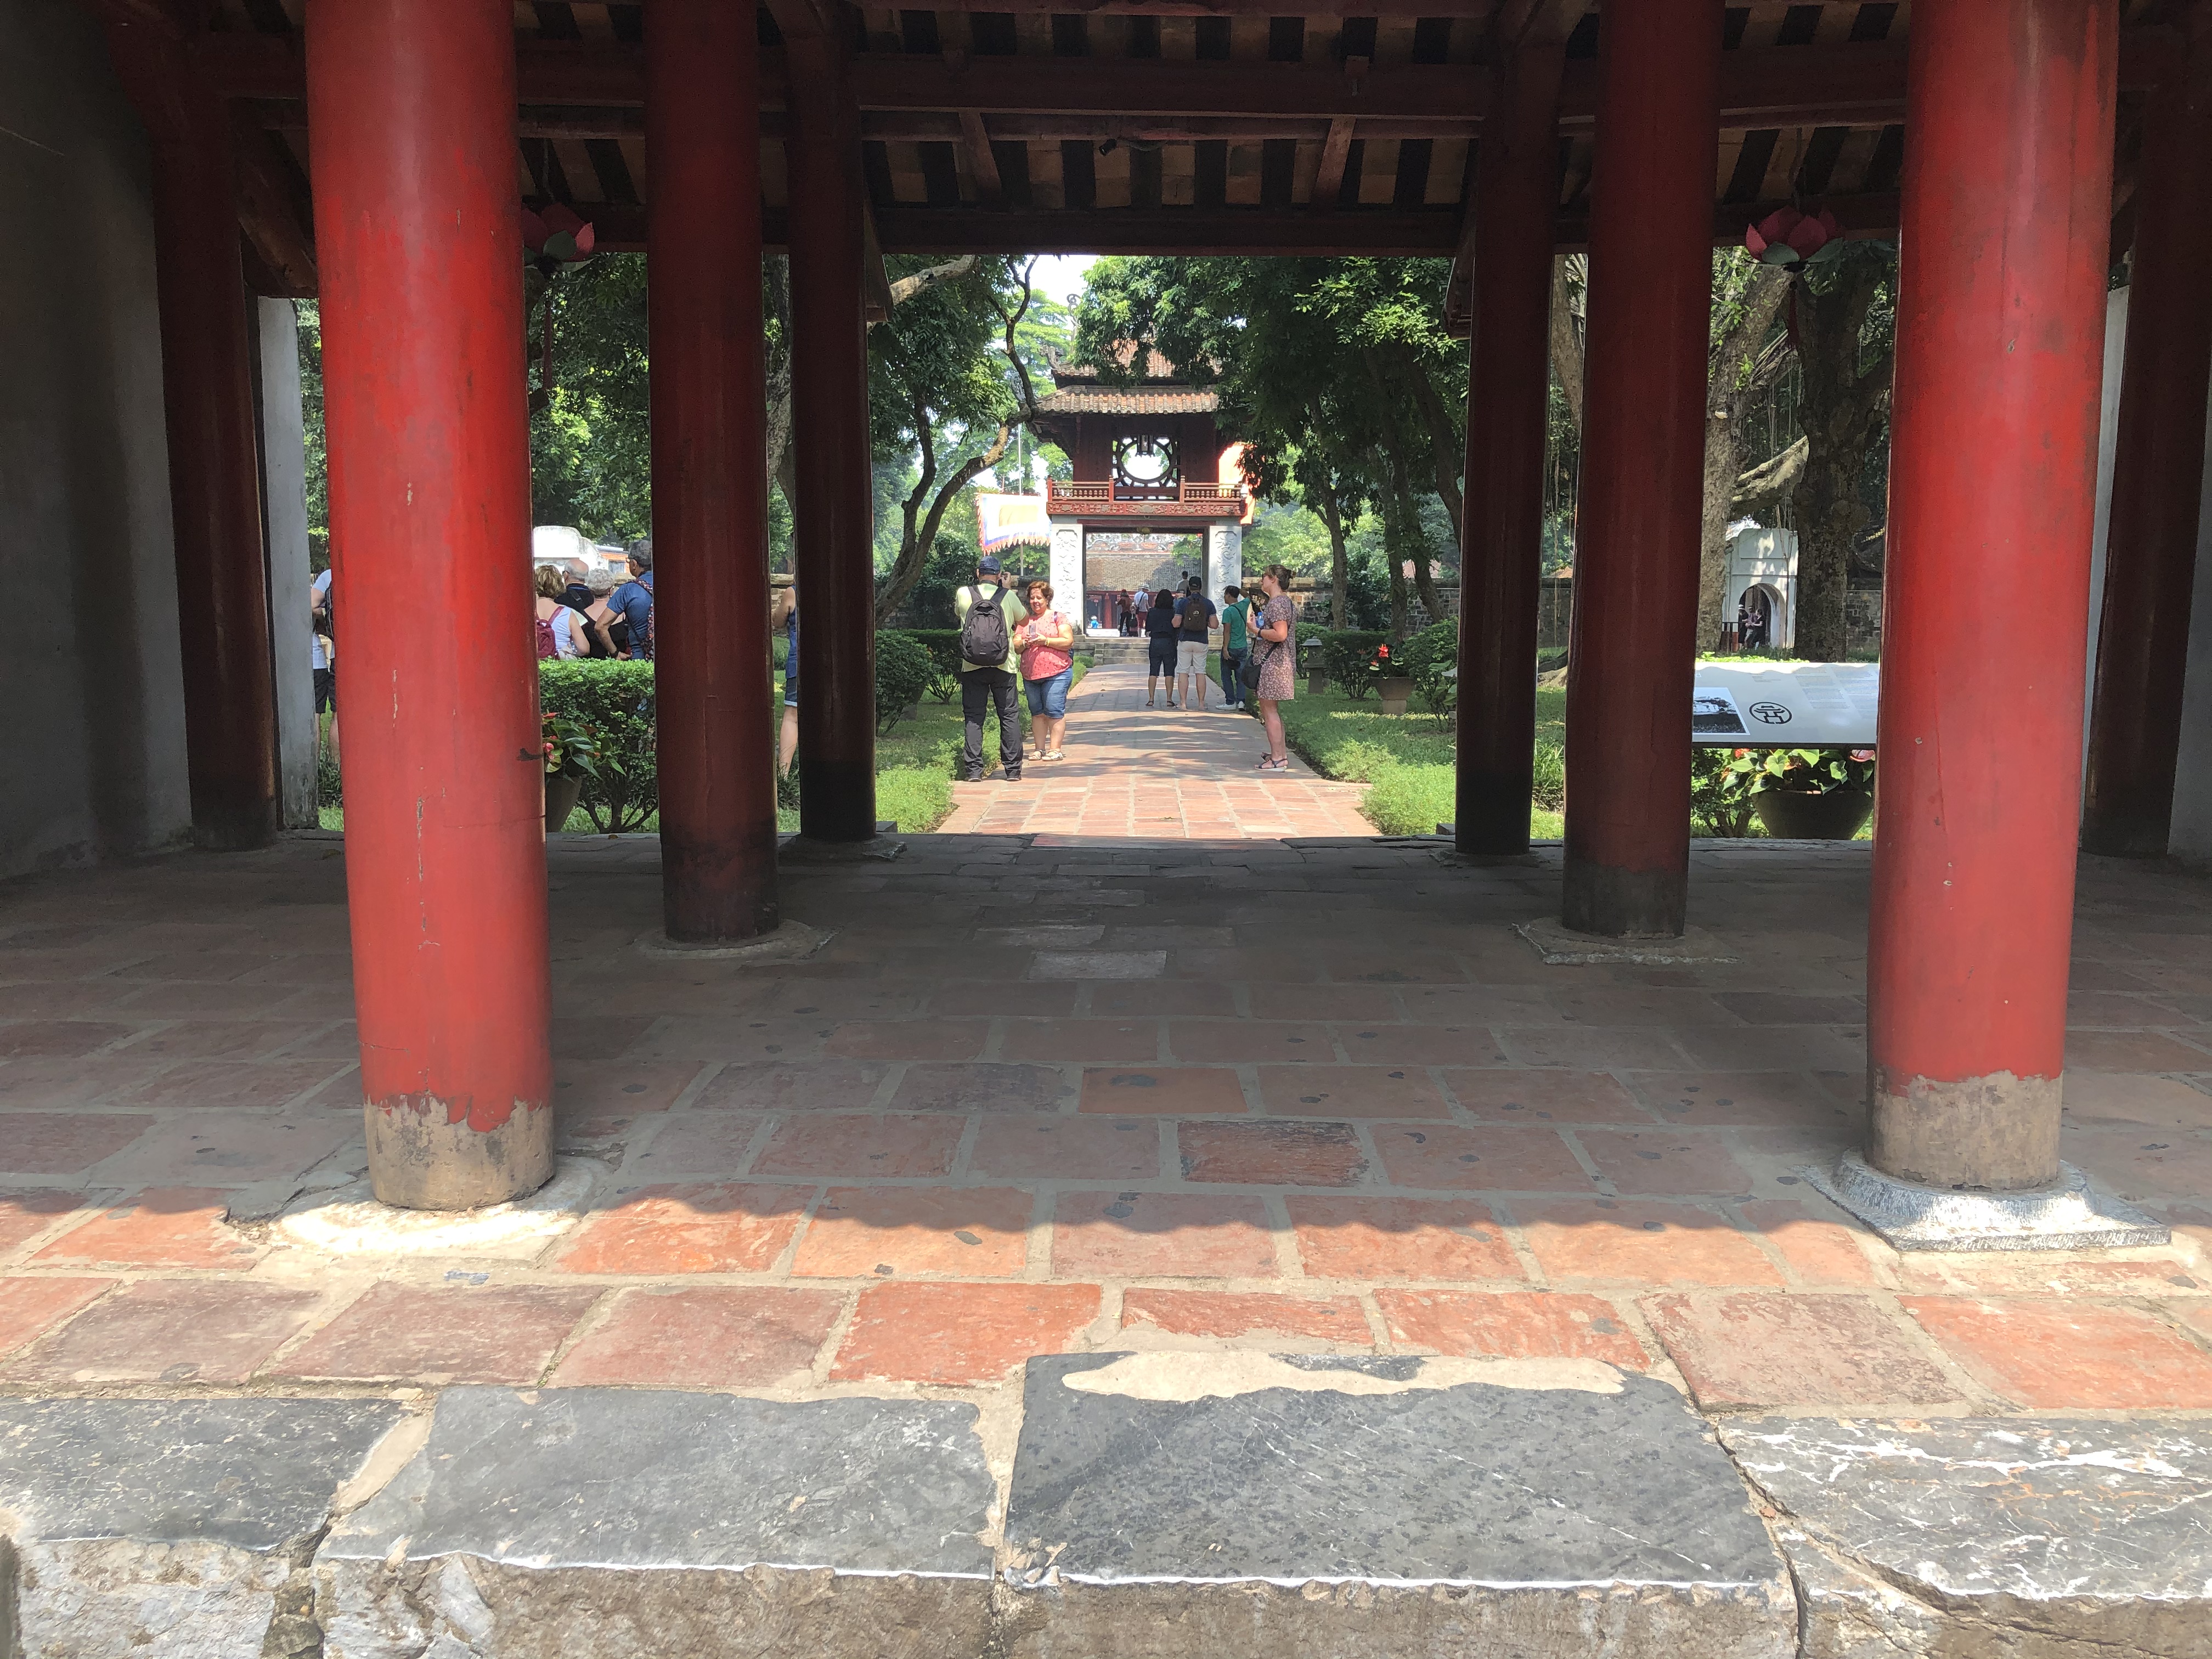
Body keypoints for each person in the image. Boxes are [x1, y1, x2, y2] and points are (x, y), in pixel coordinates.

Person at [954, 555, 1027, 781]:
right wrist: (1006, 589)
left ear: (978, 573)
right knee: (1009, 716)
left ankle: (974, 771)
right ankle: (1013, 770)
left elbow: (959, 614)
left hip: (972, 664)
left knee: (974, 717)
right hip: (1004, 665)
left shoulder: (963, 593)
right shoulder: (1008, 596)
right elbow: (1023, 620)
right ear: (999, 575)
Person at [1015, 579, 1076, 761]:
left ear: (1047, 599)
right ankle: (1039, 749)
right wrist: (1024, 643)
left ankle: (1055, 749)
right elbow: (1016, 645)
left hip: (1057, 673)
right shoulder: (1025, 621)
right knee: (1037, 712)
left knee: (1054, 710)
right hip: (1031, 675)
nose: (1035, 602)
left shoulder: (1058, 617)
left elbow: (1068, 641)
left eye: (1039, 598)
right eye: (1032, 598)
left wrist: (1046, 641)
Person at [1252, 563, 1298, 772]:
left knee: (1269, 711)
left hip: (1274, 665)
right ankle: (1279, 753)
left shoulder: (1277, 603)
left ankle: (1278, 759)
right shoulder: (1284, 602)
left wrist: (1256, 630)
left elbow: (1280, 634)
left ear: (1273, 579)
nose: (1261, 580)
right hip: (1279, 663)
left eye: (1264, 576)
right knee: (1272, 711)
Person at [1173, 575, 1216, 711]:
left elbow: (1176, 623)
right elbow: (1215, 625)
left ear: (1189, 588)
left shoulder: (1183, 603)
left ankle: (1183, 703)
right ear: (1201, 587)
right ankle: (1201, 704)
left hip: (1185, 640)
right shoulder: (1208, 603)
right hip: (1201, 641)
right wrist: (1204, 622)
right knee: (1200, 672)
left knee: (1183, 671)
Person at [610, 539, 654, 659]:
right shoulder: (671, 584)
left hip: (640, 659)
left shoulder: (628, 590)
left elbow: (600, 627)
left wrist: (615, 653)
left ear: (634, 564)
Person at [311, 567, 337, 764]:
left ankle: (330, 768)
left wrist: (329, 616)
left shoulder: (330, 575)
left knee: (335, 715)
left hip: (337, 654)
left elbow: (312, 604)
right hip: (318, 661)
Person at [772, 580, 799, 777]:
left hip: (798, 662)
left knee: (792, 716)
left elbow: (778, 621)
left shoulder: (792, 593)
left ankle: (784, 774)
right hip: (833, 663)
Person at [533, 565, 586, 659]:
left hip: (534, 662)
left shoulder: (527, 612)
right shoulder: (567, 613)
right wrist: (570, 648)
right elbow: (583, 648)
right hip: (559, 663)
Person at [1144, 583, 1181, 707]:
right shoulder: (1173, 612)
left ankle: (1151, 699)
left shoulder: (1152, 612)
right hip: (1169, 642)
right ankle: (1169, 699)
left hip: (1155, 641)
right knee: (1169, 671)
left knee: (1153, 671)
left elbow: (1148, 628)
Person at [1217, 583, 1250, 711]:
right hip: (1242, 646)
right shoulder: (1243, 606)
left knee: (1226, 675)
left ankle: (1230, 701)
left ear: (1229, 596)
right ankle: (1241, 701)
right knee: (1240, 675)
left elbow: (1227, 632)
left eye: (1225, 595)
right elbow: (1249, 597)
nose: (1224, 597)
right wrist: (1238, 590)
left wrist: (1225, 649)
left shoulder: (1228, 612)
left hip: (1231, 647)